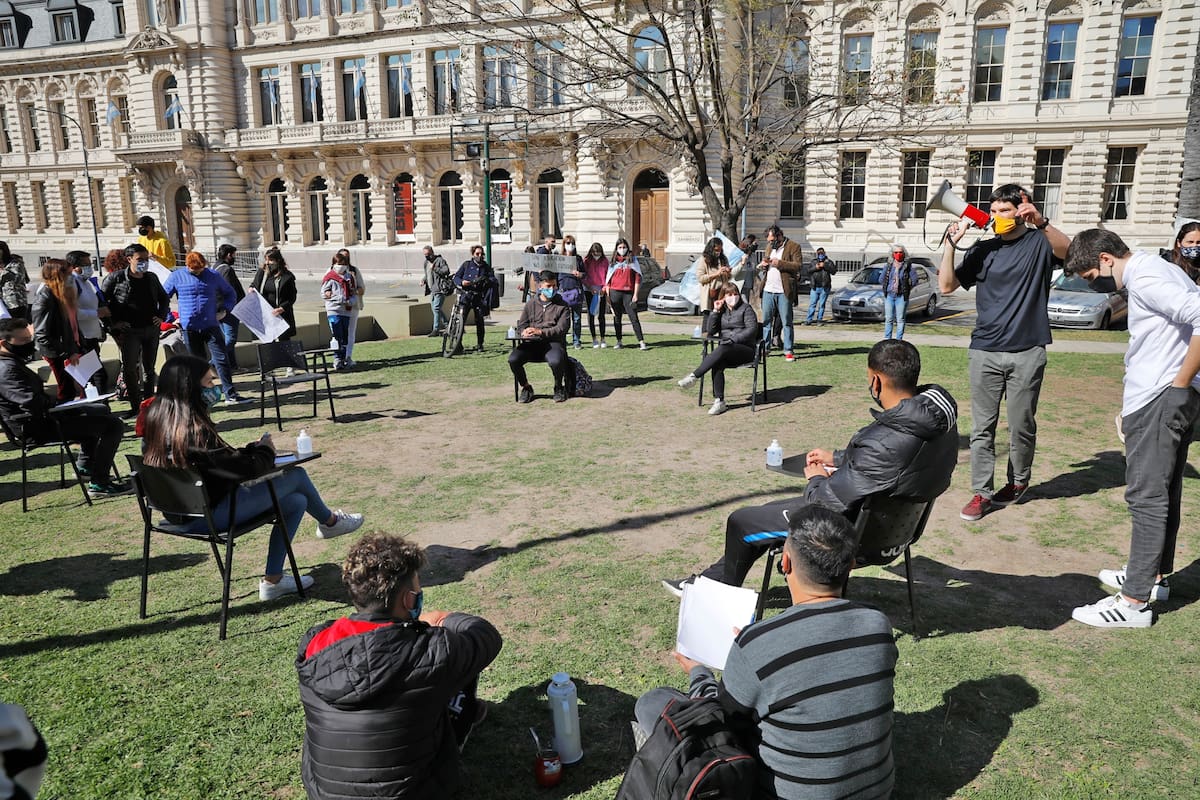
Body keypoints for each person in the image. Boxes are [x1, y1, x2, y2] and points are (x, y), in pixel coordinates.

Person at [637, 506, 897, 800]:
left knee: (651, 702)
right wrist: (757, 649)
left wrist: (699, 672)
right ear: (850, 565)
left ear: (785, 562)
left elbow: (720, 724)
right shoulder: (877, 624)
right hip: (877, 794)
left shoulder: (758, 643)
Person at [664, 339, 957, 593]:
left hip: (855, 535)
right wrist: (840, 459)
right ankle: (710, 581)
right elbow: (898, 461)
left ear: (876, 381)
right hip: (896, 531)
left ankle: (716, 594)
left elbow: (825, 501)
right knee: (770, 510)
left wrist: (816, 478)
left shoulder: (884, 440)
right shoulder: (937, 422)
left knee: (742, 521)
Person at [296, 533, 502, 800]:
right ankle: (463, 719)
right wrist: (441, 619)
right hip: (415, 793)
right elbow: (485, 636)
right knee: (459, 662)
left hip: (324, 794)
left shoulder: (315, 642)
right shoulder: (431, 649)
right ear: (408, 599)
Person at [1064, 230, 1200, 628]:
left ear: (1106, 259)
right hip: (1163, 395)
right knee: (1164, 490)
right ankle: (1151, 576)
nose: (1097, 284)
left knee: (1146, 497)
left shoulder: (1146, 275)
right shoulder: (1157, 269)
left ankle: (1134, 602)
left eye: (1091, 276)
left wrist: (1177, 385)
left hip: (1160, 398)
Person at [142, 356, 364, 599]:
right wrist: (265, 450)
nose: (214, 387)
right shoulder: (193, 429)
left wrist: (250, 450)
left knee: (297, 501)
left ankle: (273, 581)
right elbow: (244, 471)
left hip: (177, 513)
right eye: (208, 382)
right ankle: (330, 522)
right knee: (296, 475)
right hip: (209, 515)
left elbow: (219, 461)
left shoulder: (158, 419)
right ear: (190, 387)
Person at [939, 184, 1070, 521]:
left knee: (1021, 424)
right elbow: (946, 286)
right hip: (984, 350)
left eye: (1004, 211)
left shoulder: (1038, 243)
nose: (997, 218)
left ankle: (1018, 482)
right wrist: (952, 245)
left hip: (1028, 351)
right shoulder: (983, 250)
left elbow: (1069, 253)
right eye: (994, 211)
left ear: (1021, 210)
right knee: (983, 427)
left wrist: (1041, 221)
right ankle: (981, 493)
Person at [0, 317, 128, 496]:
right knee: (113, 425)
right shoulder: (6, 369)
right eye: (23, 341)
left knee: (99, 410)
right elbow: (31, 402)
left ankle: (85, 465)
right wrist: (60, 406)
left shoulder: (12, 362)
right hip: (33, 427)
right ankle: (100, 483)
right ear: (4, 343)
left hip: (44, 417)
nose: (28, 345)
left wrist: (67, 404)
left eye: (29, 340)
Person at [164, 252, 249, 405]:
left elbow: (231, 293)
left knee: (222, 358)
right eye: (194, 271)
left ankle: (230, 394)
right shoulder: (176, 276)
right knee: (197, 363)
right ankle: (200, 397)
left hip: (211, 325)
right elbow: (163, 298)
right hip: (189, 328)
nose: (197, 273)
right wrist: (170, 318)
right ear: (187, 266)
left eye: (200, 270)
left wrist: (225, 310)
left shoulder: (213, 275)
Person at [102, 244, 170, 416]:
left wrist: (161, 316)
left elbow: (164, 299)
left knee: (149, 369)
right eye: (140, 260)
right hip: (130, 331)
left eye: (146, 259)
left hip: (151, 329)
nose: (144, 263)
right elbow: (102, 304)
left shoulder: (151, 278)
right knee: (131, 369)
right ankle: (135, 406)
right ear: (129, 259)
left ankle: (149, 404)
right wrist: (113, 324)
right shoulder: (115, 278)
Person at [677, 284, 758, 416]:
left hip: (746, 350)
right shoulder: (722, 311)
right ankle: (719, 401)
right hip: (726, 350)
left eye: (735, 294)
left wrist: (734, 339)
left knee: (724, 347)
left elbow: (752, 330)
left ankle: (694, 376)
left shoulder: (746, 309)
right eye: (729, 295)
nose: (733, 297)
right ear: (723, 297)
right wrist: (715, 311)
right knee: (717, 361)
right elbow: (711, 330)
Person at [509, 270, 571, 403]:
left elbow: (562, 328)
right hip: (531, 344)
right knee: (513, 359)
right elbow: (521, 325)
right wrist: (523, 332)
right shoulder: (531, 304)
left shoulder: (563, 306)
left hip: (553, 343)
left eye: (554, 286)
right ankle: (526, 387)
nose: (552, 289)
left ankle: (558, 387)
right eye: (548, 286)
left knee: (556, 360)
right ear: (540, 287)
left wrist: (541, 332)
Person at [31, 259, 86, 403]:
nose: (71, 278)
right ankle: (63, 419)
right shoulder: (45, 298)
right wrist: (66, 353)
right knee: (65, 388)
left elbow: (71, 324)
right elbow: (42, 334)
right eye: (68, 275)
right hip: (56, 352)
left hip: (70, 348)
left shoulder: (64, 295)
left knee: (77, 385)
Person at [66, 250, 110, 393]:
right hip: (82, 338)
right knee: (97, 376)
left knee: (95, 376)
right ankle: (100, 408)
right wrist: (96, 313)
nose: (89, 268)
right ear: (73, 266)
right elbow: (72, 312)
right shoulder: (71, 282)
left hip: (91, 336)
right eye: (85, 265)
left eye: (90, 264)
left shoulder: (84, 282)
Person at [759, 225, 803, 362]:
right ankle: (765, 348)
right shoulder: (769, 247)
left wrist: (780, 263)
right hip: (768, 289)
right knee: (766, 321)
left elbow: (798, 265)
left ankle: (788, 350)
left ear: (779, 236)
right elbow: (767, 259)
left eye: (772, 240)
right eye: (769, 241)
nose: (770, 243)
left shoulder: (793, 246)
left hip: (783, 290)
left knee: (786, 321)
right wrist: (764, 264)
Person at [604, 237, 648, 350]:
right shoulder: (613, 261)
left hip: (628, 293)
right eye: (620, 247)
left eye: (624, 247)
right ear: (616, 249)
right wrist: (608, 295)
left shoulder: (632, 260)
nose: (622, 249)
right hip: (614, 292)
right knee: (617, 318)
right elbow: (608, 279)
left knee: (633, 317)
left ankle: (641, 341)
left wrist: (636, 294)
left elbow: (638, 278)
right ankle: (619, 341)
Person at [452, 245, 495, 353]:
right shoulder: (466, 265)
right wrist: (461, 282)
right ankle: (458, 344)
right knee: (461, 320)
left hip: (478, 297)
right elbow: (456, 277)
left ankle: (480, 344)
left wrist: (486, 280)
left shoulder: (486, 267)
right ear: (473, 254)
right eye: (477, 254)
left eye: (481, 254)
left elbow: (493, 279)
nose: (479, 256)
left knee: (479, 322)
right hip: (466, 296)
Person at [250, 248, 298, 341]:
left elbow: (292, 296)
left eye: (271, 260)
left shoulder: (287, 277)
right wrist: (251, 288)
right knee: (269, 342)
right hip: (266, 314)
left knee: (283, 343)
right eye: (266, 259)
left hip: (281, 315)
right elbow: (255, 285)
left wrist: (282, 308)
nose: (267, 263)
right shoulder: (262, 273)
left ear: (278, 261)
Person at [321, 251, 357, 371]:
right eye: (338, 263)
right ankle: (337, 358)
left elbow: (353, 294)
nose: (340, 266)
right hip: (333, 310)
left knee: (345, 335)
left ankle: (344, 358)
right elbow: (324, 293)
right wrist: (337, 298)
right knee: (337, 334)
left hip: (346, 310)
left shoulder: (349, 277)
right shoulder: (330, 277)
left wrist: (350, 301)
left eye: (342, 263)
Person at [213, 244, 246, 370]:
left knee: (226, 337)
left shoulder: (214, 267)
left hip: (219, 308)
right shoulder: (226, 269)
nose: (235, 258)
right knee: (230, 339)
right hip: (229, 309)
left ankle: (232, 365)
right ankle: (213, 363)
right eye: (234, 255)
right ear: (228, 255)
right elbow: (229, 290)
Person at [881, 244, 918, 340]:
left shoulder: (908, 266)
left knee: (900, 319)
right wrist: (889, 286)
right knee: (889, 319)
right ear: (892, 254)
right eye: (896, 252)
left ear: (904, 253)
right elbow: (881, 279)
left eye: (900, 252)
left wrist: (907, 288)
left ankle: (899, 340)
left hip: (901, 296)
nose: (898, 254)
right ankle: (887, 339)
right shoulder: (888, 266)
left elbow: (914, 280)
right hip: (889, 295)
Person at [558, 235, 586, 349]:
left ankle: (576, 341)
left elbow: (585, 274)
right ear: (564, 244)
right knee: (563, 319)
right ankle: (562, 340)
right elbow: (554, 275)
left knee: (577, 319)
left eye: (572, 243)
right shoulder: (559, 258)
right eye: (568, 243)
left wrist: (580, 274)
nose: (570, 245)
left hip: (576, 292)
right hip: (562, 291)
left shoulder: (578, 259)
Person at [696, 237, 733, 322]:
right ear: (711, 248)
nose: (718, 252)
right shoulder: (704, 259)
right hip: (710, 295)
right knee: (708, 320)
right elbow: (700, 278)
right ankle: (706, 335)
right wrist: (716, 274)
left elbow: (729, 277)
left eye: (720, 250)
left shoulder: (723, 258)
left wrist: (727, 272)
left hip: (722, 293)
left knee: (722, 319)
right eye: (716, 250)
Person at [340, 250, 366, 367]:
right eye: (342, 257)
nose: (345, 259)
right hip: (338, 307)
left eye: (347, 257)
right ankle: (339, 358)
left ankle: (348, 356)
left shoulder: (354, 271)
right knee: (337, 333)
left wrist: (353, 291)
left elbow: (362, 289)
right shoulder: (331, 271)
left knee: (350, 332)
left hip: (352, 306)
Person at [583, 241, 609, 348]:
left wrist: (604, 287)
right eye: (594, 253)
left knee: (601, 315)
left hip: (601, 290)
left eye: (598, 253)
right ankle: (594, 339)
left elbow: (608, 275)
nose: (596, 255)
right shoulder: (586, 261)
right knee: (591, 314)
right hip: (589, 290)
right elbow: (583, 276)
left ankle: (603, 338)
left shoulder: (605, 261)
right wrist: (589, 287)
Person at [423, 245, 453, 336]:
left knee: (436, 308)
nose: (427, 256)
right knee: (436, 309)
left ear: (432, 252)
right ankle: (448, 325)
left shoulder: (440, 261)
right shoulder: (426, 263)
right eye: (425, 255)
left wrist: (435, 268)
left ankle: (436, 329)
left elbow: (446, 271)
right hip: (432, 289)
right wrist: (424, 280)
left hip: (440, 289)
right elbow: (427, 274)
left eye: (428, 254)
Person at [0, 241, 29, 322]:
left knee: (17, 327)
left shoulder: (16, 263)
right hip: (2, 305)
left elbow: (16, 278)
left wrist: (2, 271)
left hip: (15, 303)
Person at [804, 247, 831, 326]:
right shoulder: (813, 262)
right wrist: (816, 267)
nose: (820, 255)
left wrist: (825, 266)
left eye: (822, 253)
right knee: (812, 304)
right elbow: (808, 271)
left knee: (822, 305)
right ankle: (809, 319)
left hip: (824, 287)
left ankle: (819, 319)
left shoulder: (828, 262)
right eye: (819, 254)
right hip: (815, 287)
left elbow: (833, 271)